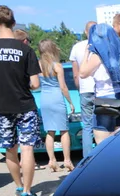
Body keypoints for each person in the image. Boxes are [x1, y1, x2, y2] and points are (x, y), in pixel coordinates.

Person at [0, 5, 41, 196]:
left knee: (10, 149)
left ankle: (18, 186)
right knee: (27, 149)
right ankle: (27, 191)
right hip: (25, 105)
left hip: (1, 106)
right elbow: (35, 83)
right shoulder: (25, 49)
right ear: (13, 22)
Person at [79, 23, 120, 145]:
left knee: (102, 142)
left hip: (105, 99)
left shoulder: (99, 55)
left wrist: (87, 51)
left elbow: (82, 73)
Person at [38, 39, 75, 172]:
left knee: (50, 131)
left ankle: (52, 160)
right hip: (56, 98)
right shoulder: (57, 66)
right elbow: (63, 87)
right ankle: (67, 160)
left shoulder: (38, 66)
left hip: (44, 99)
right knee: (64, 130)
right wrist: (70, 102)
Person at [69, 21, 96, 157]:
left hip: (85, 90)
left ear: (85, 32)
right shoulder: (102, 45)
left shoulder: (77, 47)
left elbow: (75, 74)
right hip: (101, 90)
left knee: (87, 127)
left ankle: (87, 158)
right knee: (102, 125)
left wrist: (79, 88)